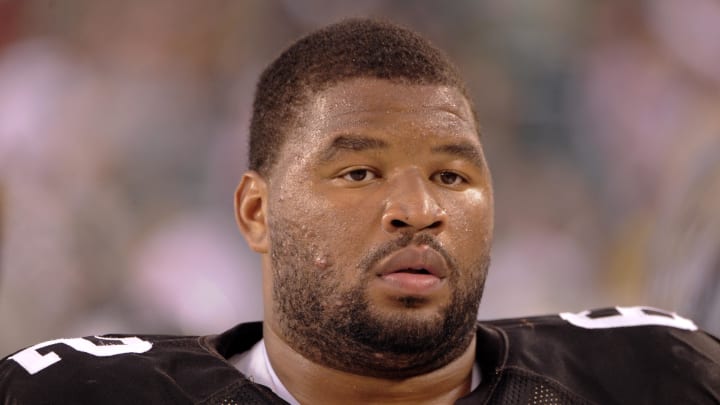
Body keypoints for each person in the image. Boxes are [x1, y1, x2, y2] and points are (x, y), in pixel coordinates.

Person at [1, 18, 719, 405]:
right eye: (358, 171)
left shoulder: (654, 374)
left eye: (451, 173)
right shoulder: (84, 393)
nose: (417, 208)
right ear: (256, 211)